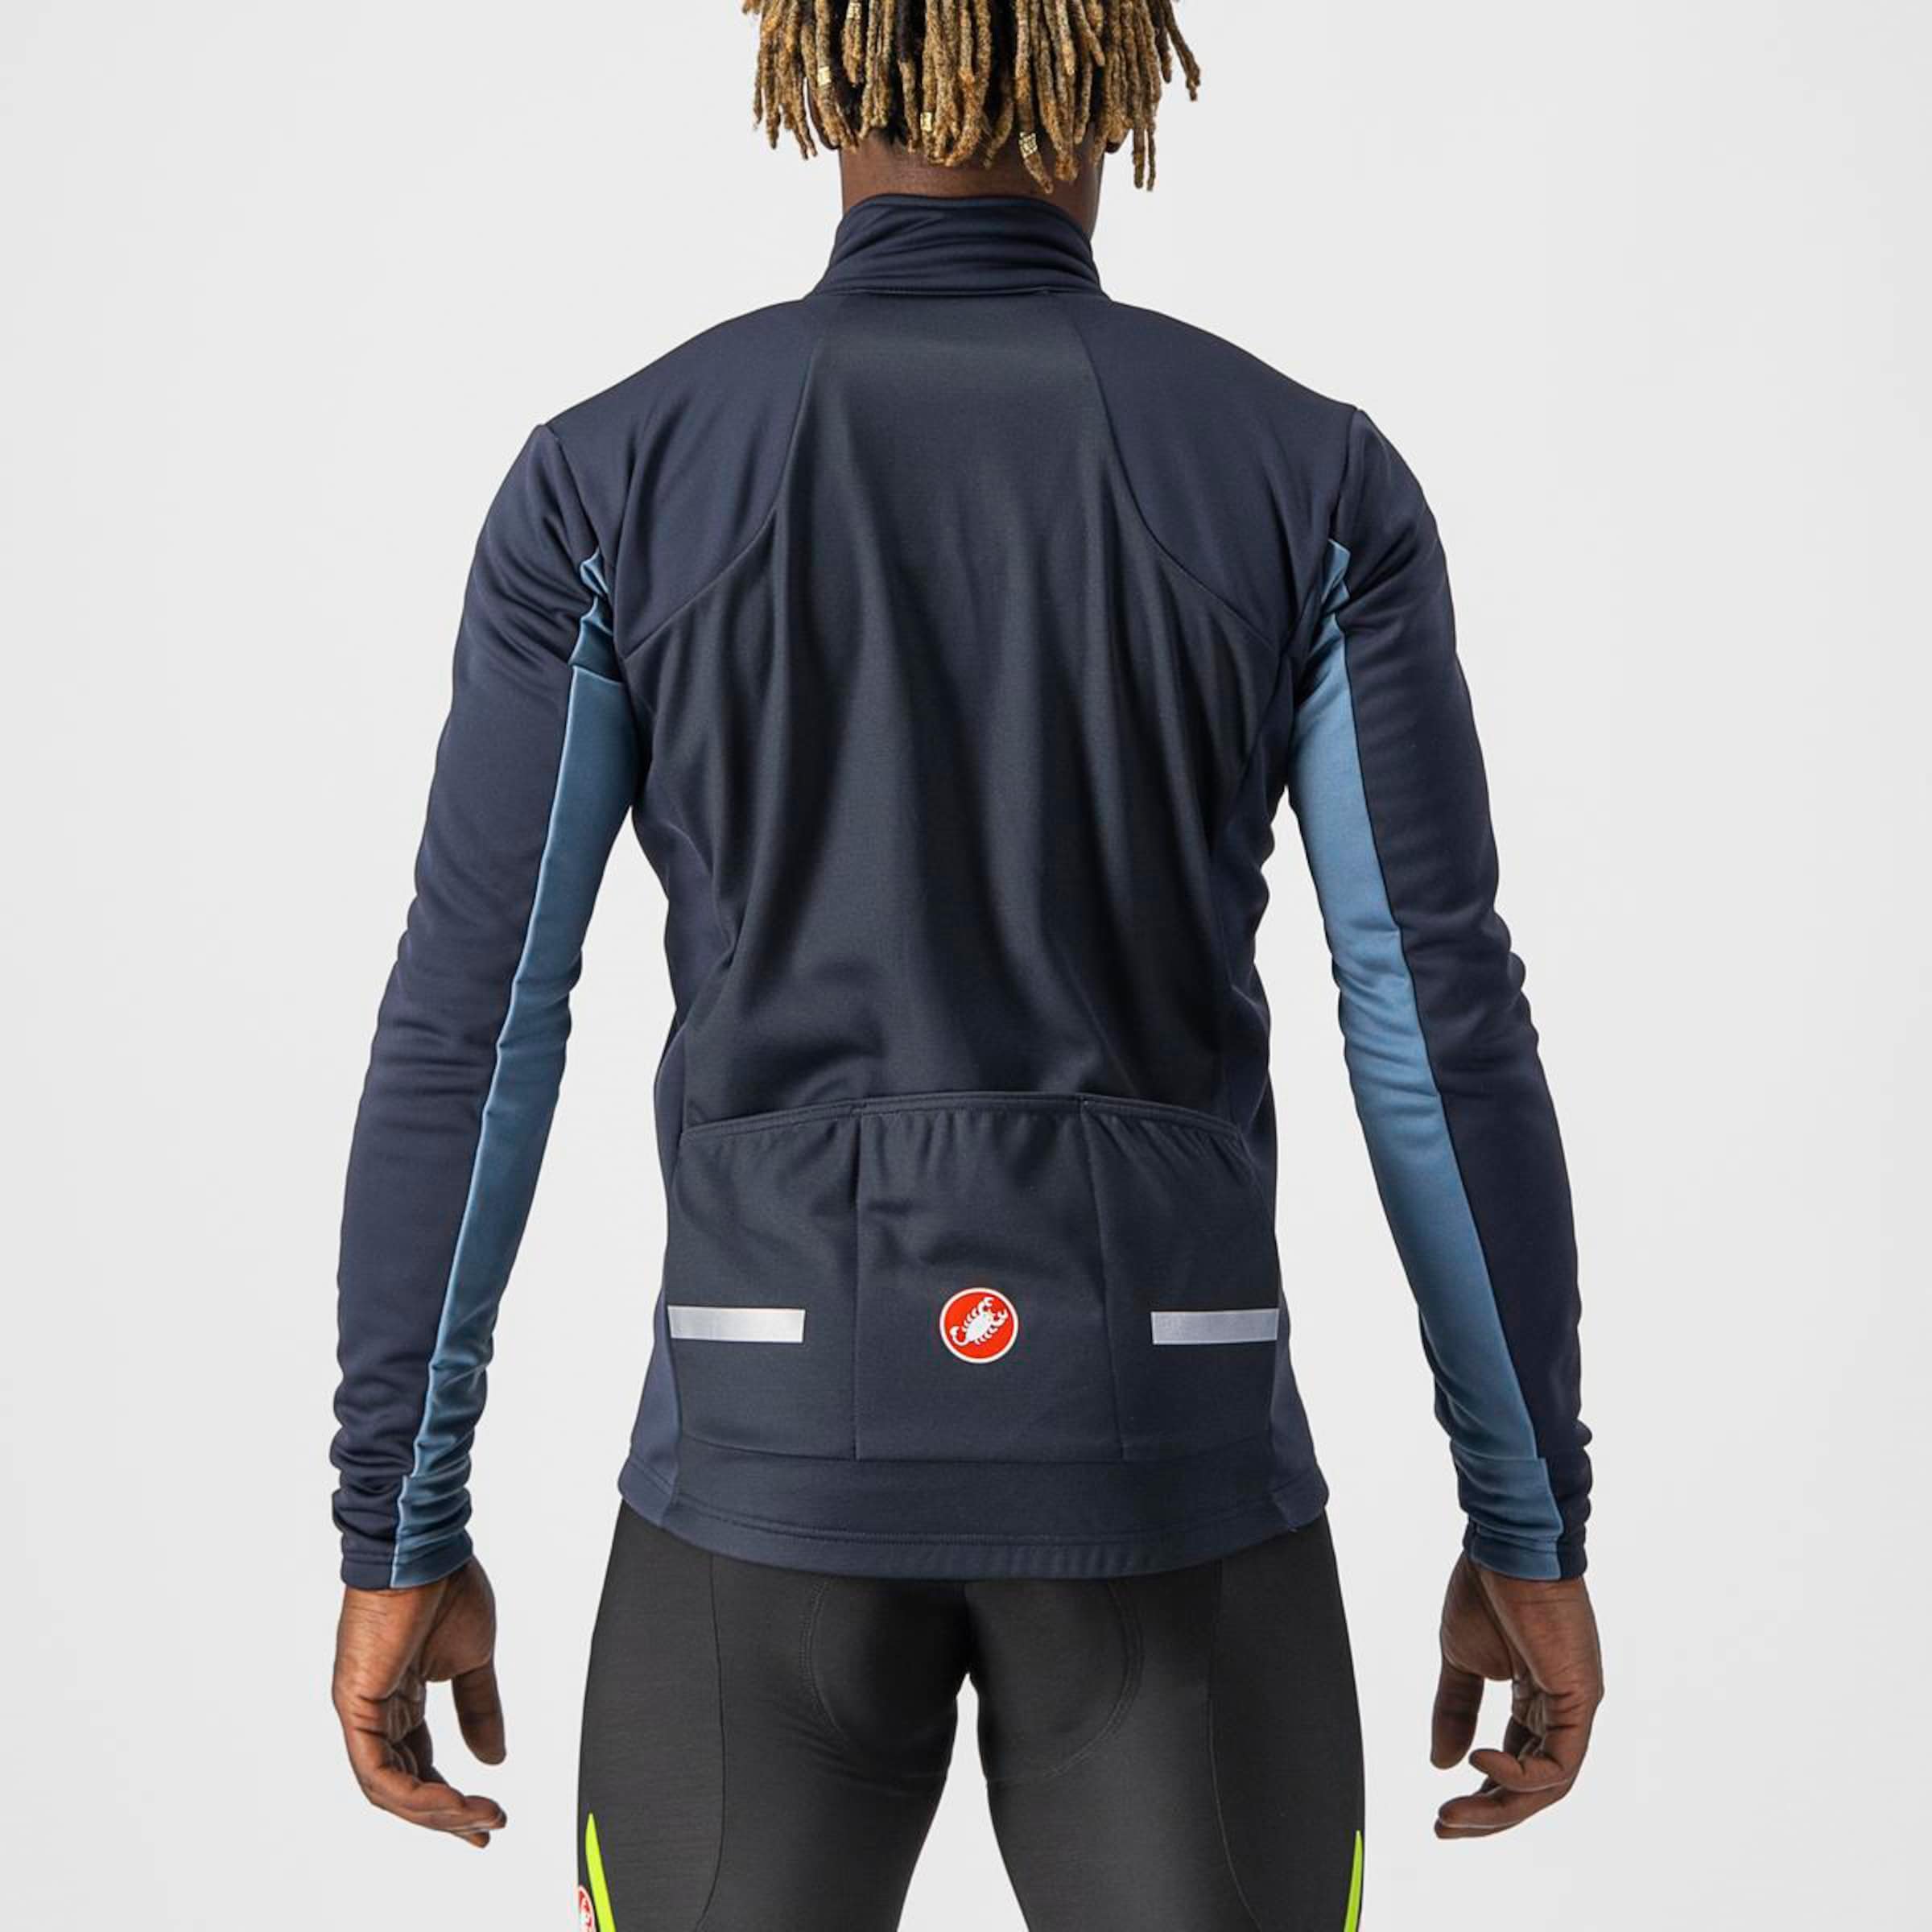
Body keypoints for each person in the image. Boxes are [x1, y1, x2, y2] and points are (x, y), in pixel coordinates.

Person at [329, 5, 1604, 1926]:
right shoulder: (1310, 480)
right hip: (1171, 1466)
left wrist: (397, 1522)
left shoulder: (609, 479)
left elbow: (475, 1027)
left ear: (816, 63)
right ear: (1115, 69)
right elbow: (1435, 1028)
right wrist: (1527, 1517)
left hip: (760, 1456)